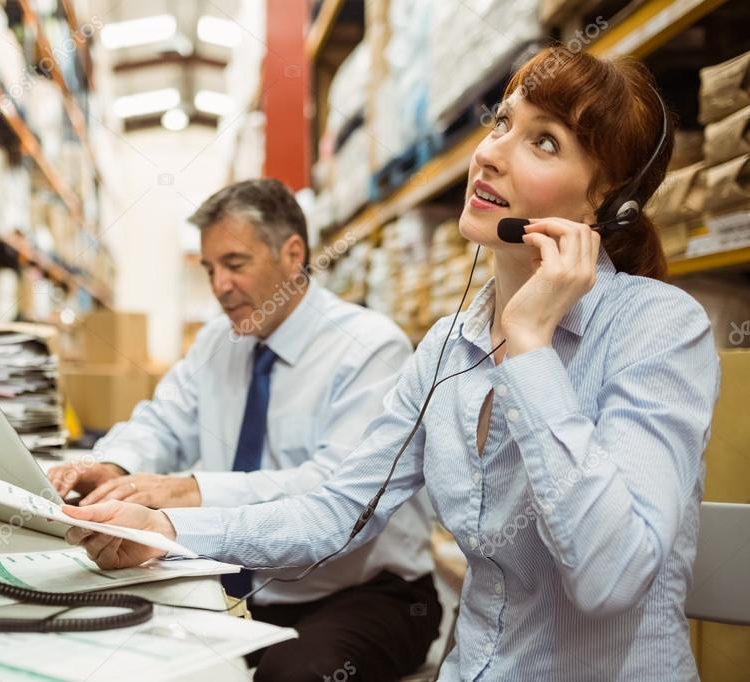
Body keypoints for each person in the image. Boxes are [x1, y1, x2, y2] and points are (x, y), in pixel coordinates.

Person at [59, 46, 722, 681]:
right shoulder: (445, 348)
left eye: (542, 141)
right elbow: (335, 509)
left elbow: (610, 578)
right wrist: (166, 528)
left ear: (607, 204)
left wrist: (529, 347)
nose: (490, 155)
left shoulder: (656, 327)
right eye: (500, 125)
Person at [48, 179, 441, 680]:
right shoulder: (219, 341)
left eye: (235, 264)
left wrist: (191, 491)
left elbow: (332, 495)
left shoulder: (369, 348)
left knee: (295, 674)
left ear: (292, 254)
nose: (219, 286)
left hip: (365, 591)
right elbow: (163, 419)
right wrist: (109, 465)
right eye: (211, 269)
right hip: (246, 583)